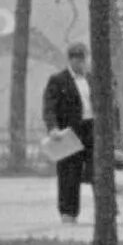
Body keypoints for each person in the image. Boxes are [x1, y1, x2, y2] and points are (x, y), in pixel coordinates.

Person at [43, 47, 94, 225]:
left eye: (85, 60)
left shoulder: (92, 79)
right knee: (69, 172)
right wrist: (53, 128)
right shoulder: (58, 80)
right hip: (70, 131)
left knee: (98, 170)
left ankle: (106, 209)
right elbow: (49, 107)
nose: (84, 64)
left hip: (92, 128)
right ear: (72, 60)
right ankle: (68, 212)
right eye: (80, 60)